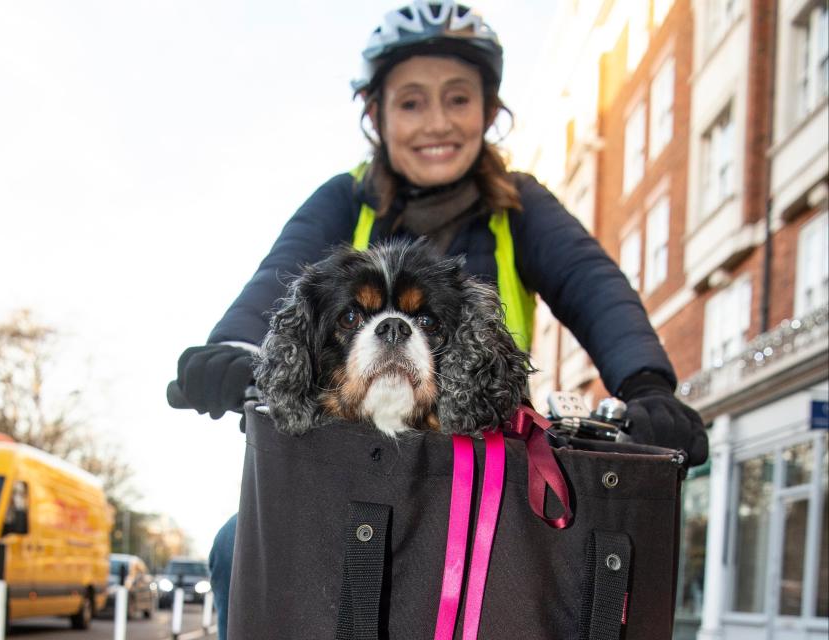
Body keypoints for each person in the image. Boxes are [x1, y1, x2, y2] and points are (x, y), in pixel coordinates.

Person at [167, 2, 708, 637]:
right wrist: (231, 348)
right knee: (240, 542)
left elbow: (595, 285)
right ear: (377, 114)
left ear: (488, 111)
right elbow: (279, 279)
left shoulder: (523, 206)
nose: (438, 123)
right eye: (412, 102)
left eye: (458, 99)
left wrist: (647, 384)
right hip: (344, 462)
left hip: (488, 462)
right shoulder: (345, 198)